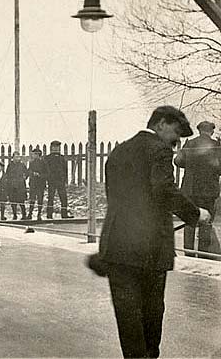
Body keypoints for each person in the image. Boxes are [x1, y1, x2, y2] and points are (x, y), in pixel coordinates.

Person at [96, 105, 210, 358]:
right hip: (148, 250)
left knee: (128, 321)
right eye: (176, 134)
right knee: (150, 317)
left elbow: (113, 198)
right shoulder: (158, 150)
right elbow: (164, 190)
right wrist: (195, 214)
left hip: (116, 248)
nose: (176, 142)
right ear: (161, 124)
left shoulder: (118, 151)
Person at [174, 120, 221, 258]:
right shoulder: (217, 146)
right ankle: (203, 254)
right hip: (208, 191)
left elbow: (177, 161)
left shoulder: (190, 144)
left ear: (199, 130)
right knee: (206, 222)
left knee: (190, 221)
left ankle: (188, 253)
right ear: (211, 131)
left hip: (190, 189)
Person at [44, 140, 73, 219]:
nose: (56, 149)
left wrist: (65, 180)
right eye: (55, 147)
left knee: (63, 198)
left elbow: (65, 169)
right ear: (51, 148)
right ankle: (49, 215)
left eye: (58, 147)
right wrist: (48, 179)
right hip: (52, 181)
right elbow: (46, 170)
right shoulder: (48, 158)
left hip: (61, 181)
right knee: (51, 198)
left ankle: (64, 214)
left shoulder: (61, 157)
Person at [5, 152, 28, 220]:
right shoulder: (10, 165)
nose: (17, 158)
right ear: (13, 157)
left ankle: (24, 215)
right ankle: (14, 215)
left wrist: (24, 177)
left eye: (18, 157)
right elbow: (7, 174)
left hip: (20, 186)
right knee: (13, 201)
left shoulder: (22, 165)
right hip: (12, 186)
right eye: (16, 157)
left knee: (21, 201)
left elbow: (26, 173)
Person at [27, 148, 47, 221]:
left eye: (35, 154)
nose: (33, 155)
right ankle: (30, 214)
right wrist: (32, 173)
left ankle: (39, 214)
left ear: (38, 154)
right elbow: (28, 171)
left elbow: (47, 174)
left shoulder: (43, 163)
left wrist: (40, 175)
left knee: (40, 200)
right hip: (33, 184)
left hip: (40, 184)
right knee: (32, 199)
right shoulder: (32, 163)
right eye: (33, 154)